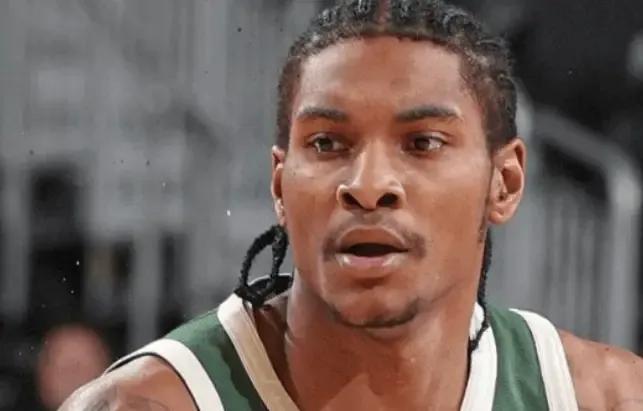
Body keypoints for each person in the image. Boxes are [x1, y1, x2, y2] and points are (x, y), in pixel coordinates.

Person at [60, 0, 643, 409]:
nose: (368, 184)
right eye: (327, 144)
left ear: (506, 183)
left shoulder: (609, 398)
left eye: (422, 143)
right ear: (279, 185)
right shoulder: (144, 405)